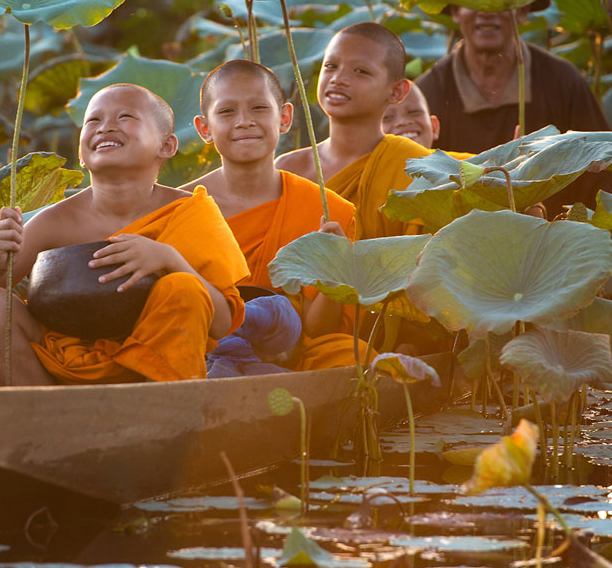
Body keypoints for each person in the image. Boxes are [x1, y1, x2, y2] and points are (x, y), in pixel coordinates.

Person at [0, 83, 248, 386]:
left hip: (157, 376)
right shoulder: (56, 221)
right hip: (65, 368)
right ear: (81, 151)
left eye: (125, 117)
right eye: (94, 120)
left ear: (167, 146)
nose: (105, 127)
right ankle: (45, 419)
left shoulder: (190, 212)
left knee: (183, 286)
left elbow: (222, 322)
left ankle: (162, 420)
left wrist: (169, 258)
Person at [185, 60, 359, 371]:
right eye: (227, 112)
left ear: (285, 118)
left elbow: (319, 331)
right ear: (204, 129)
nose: (244, 122)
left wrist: (338, 270)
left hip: (292, 355)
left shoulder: (326, 209)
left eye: (259, 109)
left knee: (352, 357)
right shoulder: (183, 205)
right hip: (204, 348)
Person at [414, 0, 609, 154]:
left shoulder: (563, 82)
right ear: (455, 11)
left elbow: (600, 167)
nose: (487, 12)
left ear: (524, 10)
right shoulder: (427, 94)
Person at [276, 22, 430, 239]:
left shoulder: (416, 171)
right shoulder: (287, 170)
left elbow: (427, 265)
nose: (338, 79)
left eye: (361, 71)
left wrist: (346, 259)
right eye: (330, 66)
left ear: (396, 91)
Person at [381, 81, 439, 150]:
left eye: (414, 112)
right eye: (387, 117)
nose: (403, 122)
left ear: (434, 127)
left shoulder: (452, 160)